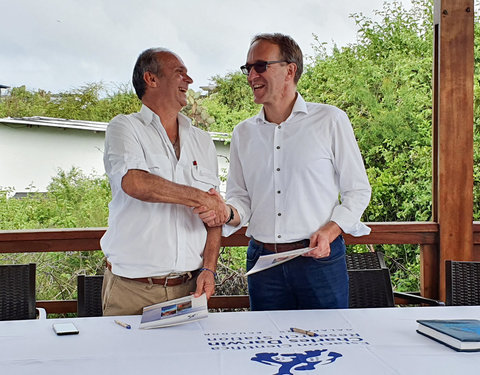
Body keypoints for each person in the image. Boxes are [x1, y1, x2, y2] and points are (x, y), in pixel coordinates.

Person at [196, 33, 371, 311]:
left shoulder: (330, 120)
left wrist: (331, 229)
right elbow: (241, 198)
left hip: (319, 262)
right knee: (266, 350)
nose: (251, 75)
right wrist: (227, 212)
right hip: (263, 264)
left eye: (260, 66)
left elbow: (358, 190)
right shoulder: (243, 133)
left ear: (290, 70)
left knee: (331, 348)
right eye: (248, 68)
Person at [100, 48, 226, 316]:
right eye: (180, 72)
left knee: (190, 360)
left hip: (189, 288)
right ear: (151, 79)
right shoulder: (124, 127)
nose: (189, 80)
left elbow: (214, 214)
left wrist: (209, 268)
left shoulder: (202, 141)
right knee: (127, 360)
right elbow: (135, 183)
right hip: (132, 291)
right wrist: (200, 198)